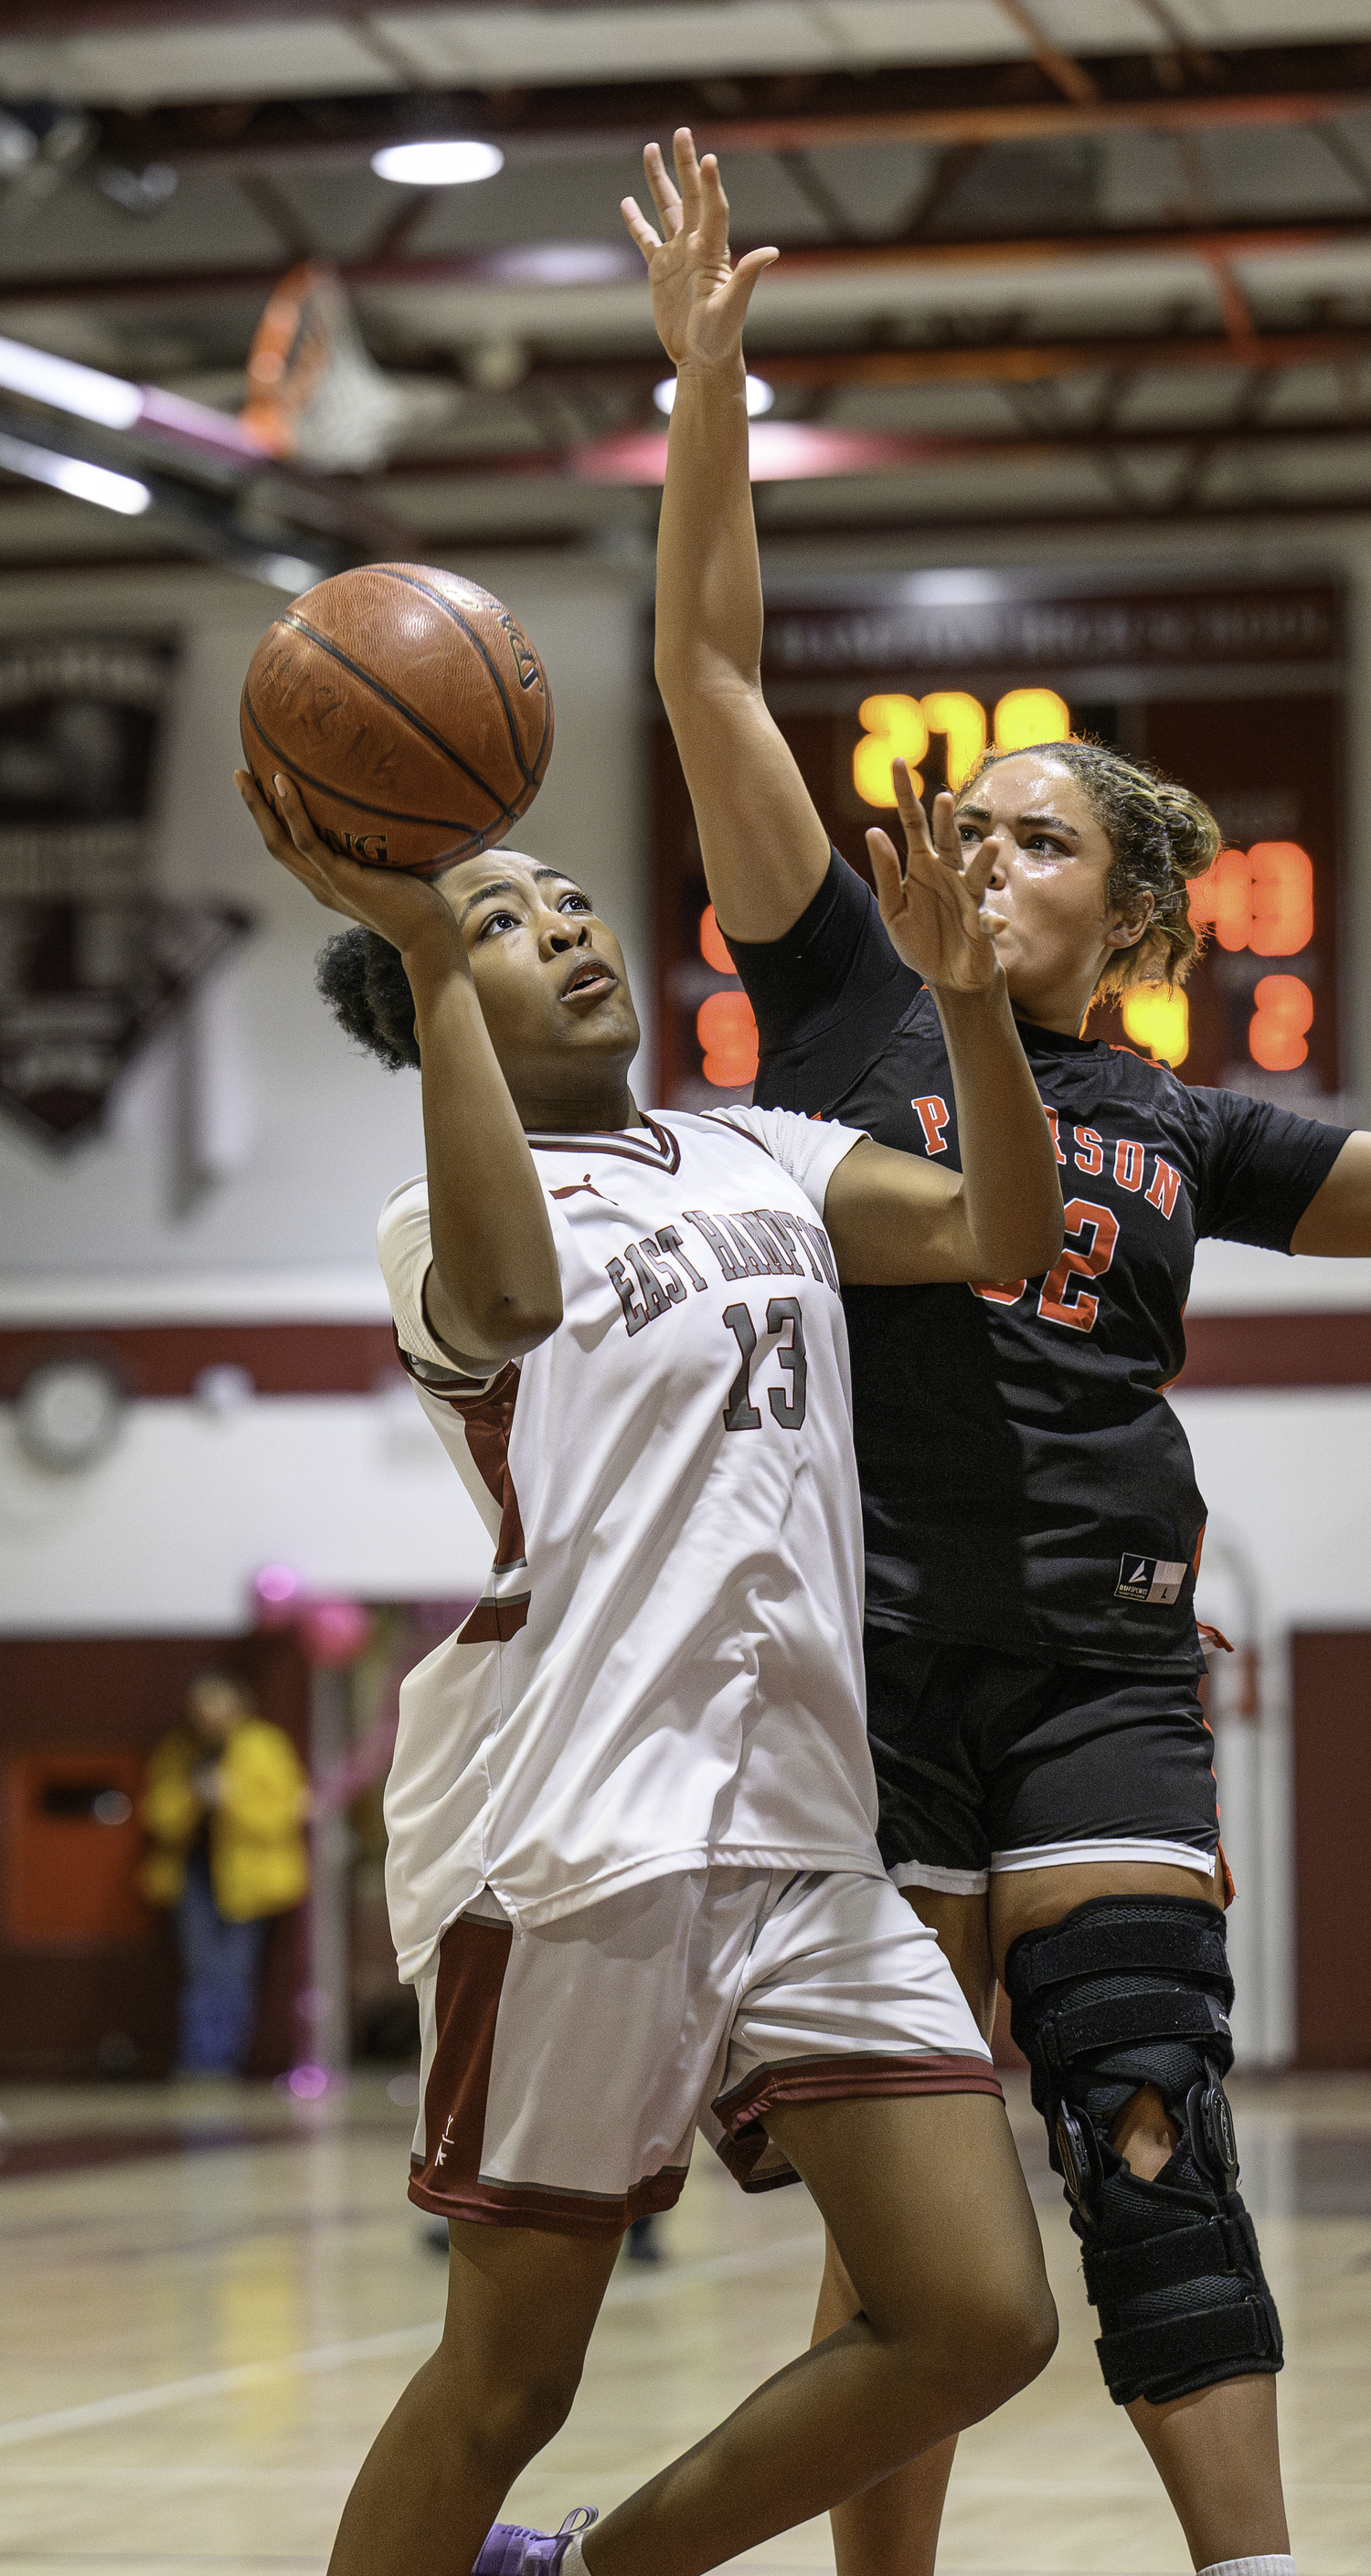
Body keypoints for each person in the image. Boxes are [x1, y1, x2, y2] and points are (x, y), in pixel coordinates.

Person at [635, 122, 1371, 2576]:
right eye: (968, 808)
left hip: (1095, 1662)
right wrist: (707, 387)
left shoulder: (1185, 1116)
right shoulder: (839, 992)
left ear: (1137, 902)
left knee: (1144, 2115)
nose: (981, 838)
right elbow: (710, 669)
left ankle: (1251, 2566)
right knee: (910, 2230)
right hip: (860, 1658)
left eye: (1041, 831)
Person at [231, 658, 1063, 2576]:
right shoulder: (438, 1214)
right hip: (584, 1832)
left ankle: (597, 2569)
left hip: (803, 1825)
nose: (564, 927)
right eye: (502, 924)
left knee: (978, 2313)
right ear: (438, 995)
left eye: (567, 898)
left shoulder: (758, 1147)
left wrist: (963, 1004)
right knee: (505, 2375)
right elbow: (513, 1305)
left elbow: (995, 1231)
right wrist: (426, 950)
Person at [141, 1668, 310, 2075]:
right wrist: (192, 1796)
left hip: (248, 1879)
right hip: (193, 1878)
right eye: (200, 1701)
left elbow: (286, 1814)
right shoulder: (180, 1750)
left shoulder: (264, 1745)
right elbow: (157, 1817)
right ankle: (201, 2063)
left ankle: (221, 2063)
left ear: (239, 1701)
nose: (207, 1710)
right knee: (201, 1971)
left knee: (234, 1972)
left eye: (216, 1699)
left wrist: (229, 1800)